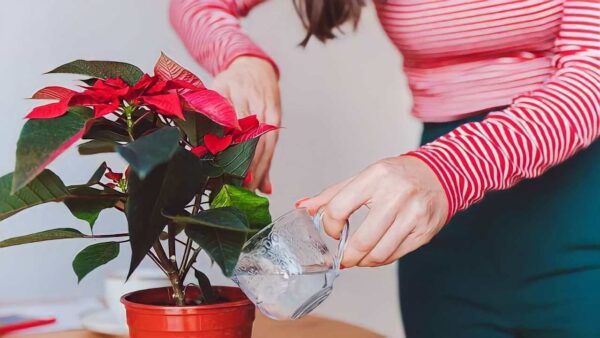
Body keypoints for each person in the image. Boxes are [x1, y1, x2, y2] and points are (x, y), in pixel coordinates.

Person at [169, 1, 600, 337]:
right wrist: (243, 60)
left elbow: (589, 80)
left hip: (574, 215)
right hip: (448, 239)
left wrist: (446, 170)